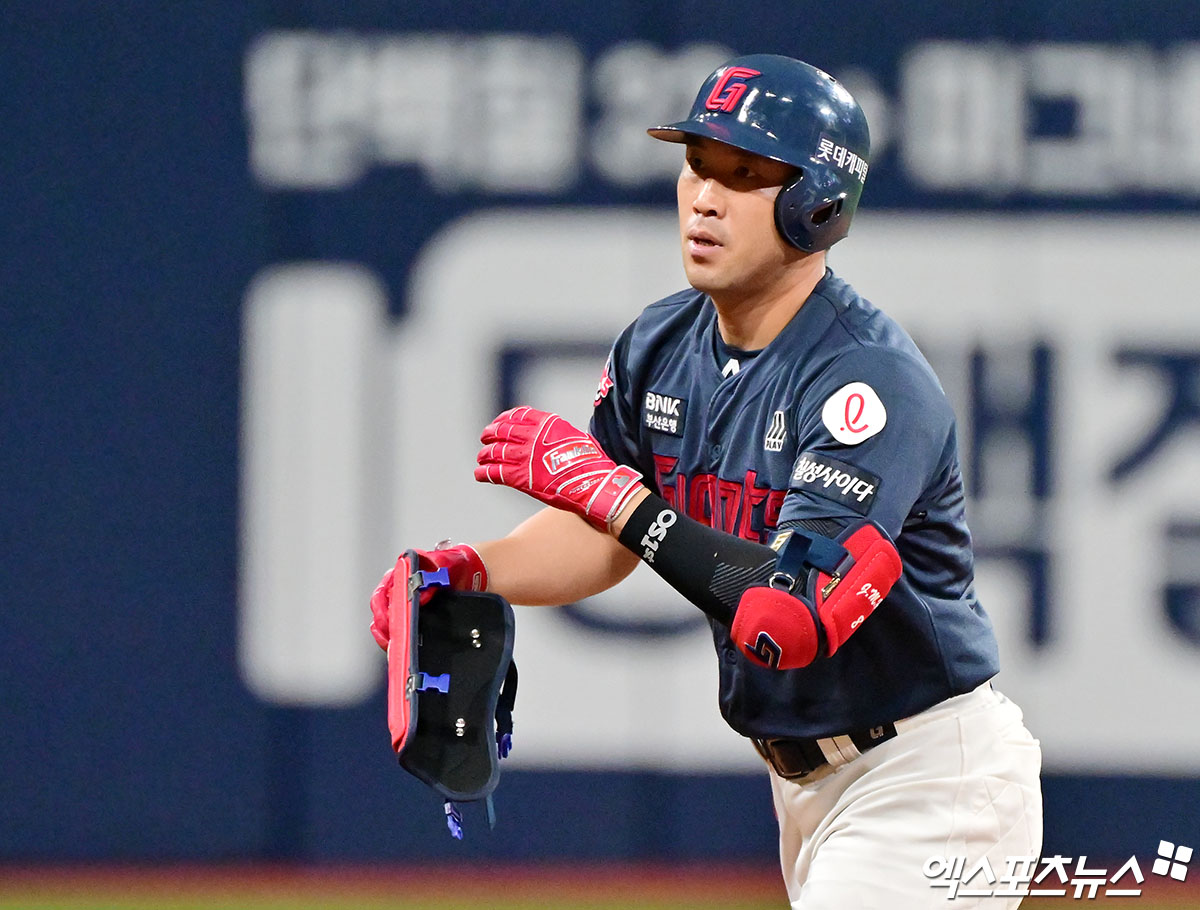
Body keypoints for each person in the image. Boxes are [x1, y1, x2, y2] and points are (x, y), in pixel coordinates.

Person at [370, 54, 1042, 908]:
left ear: (817, 202)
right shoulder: (661, 345)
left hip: (926, 778)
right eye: (697, 162)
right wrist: (471, 569)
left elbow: (788, 617)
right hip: (805, 786)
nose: (706, 195)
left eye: (747, 173)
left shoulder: (864, 381)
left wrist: (615, 498)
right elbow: (603, 534)